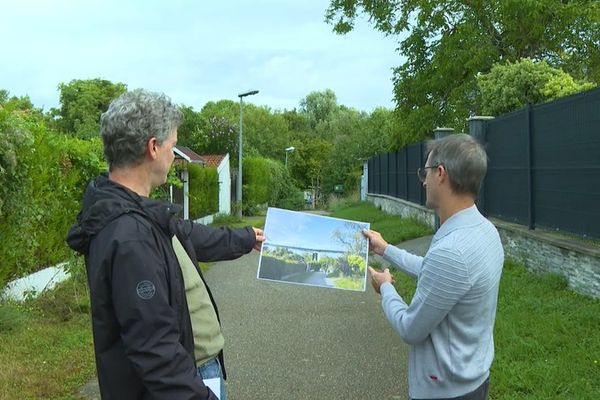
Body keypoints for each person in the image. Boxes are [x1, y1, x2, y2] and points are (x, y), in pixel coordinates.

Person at [67, 89, 264, 400]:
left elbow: (191, 236)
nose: (174, 155)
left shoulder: (137, 214)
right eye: (172, 145)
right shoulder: (130, 234)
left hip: (194, 372)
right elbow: (155, 351)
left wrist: (248, 237)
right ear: (153, 147)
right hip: (188, 381)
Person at [364, 134, 504, 400]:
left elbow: (410, 328)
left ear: (440, 173)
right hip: (474, 380)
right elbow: (435, 272)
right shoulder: (485, 231)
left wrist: (385, 289)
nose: (423, 181)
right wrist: (385, 249)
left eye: (425, 172)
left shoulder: (452, 251)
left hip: (445, 392)